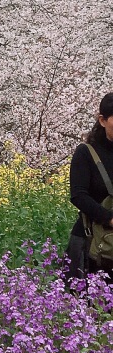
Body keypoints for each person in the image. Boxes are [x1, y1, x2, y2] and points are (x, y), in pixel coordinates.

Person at [67, 92, 113, 282]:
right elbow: (78, 195)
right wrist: (109, 219)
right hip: (93, 244)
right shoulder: (86, 153)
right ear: (102, 120)